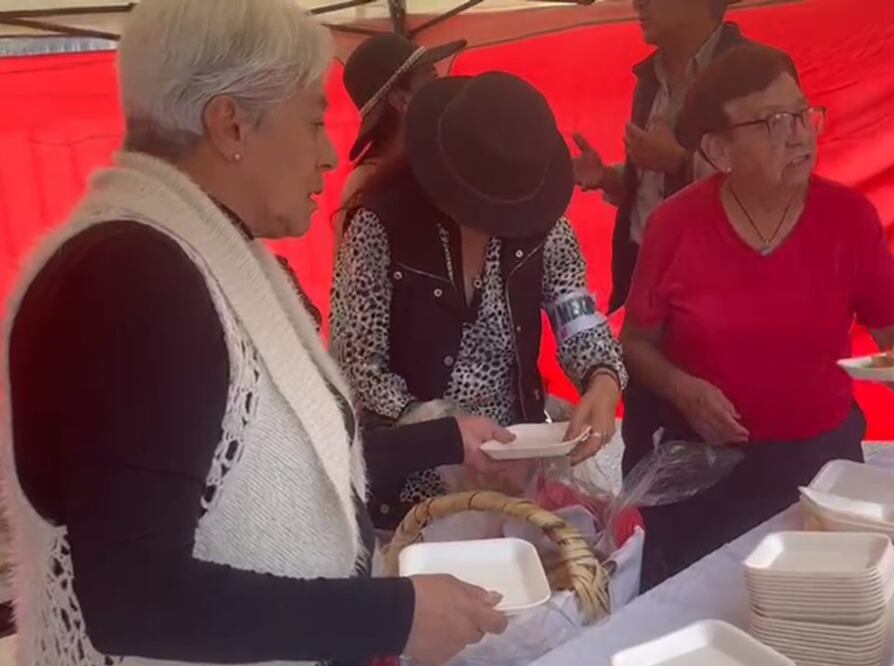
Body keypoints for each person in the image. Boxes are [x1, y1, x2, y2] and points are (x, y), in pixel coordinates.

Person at [1, 1, 521, 664]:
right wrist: (390, 615)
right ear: (231, 124)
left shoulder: (198, 254)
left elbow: (287, 454)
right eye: (311, 122)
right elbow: (136, 597)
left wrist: (447, 439)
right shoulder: (132, 283)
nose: (330, 155)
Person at [620, 43, 894, 589]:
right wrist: (682, 389)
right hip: (706, 470)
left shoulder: (848, 218)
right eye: (774, 122)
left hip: (820, 465)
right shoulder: (675, 226)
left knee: (828, 600)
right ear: (720, 150)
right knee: (704, 606)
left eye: (803, 114)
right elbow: (636, 343)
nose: (801, 134)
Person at [331, 72, 627, 528]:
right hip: (416, 490)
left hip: (518, 472)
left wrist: (603, 378)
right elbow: (356, 366)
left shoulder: (544, 227)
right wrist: (441, 431)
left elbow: (578, 315)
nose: (494, 222)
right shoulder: (379, 227)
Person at [572, 0, 746, 312]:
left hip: (716, 284)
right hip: (640, 270)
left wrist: (679, 162)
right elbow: (654, 187)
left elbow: (770, 185)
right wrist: (610, 178)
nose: (638, 3)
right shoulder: (651, 75)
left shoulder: (755, 73)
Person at [334, 32, 466, 247]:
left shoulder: (436, 167)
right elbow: (353, 276)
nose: (443, 93)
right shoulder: (366, 184)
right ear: (401, 99)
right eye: (433, 82)